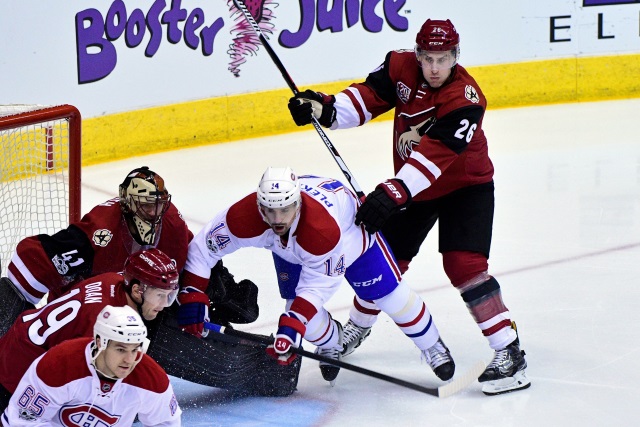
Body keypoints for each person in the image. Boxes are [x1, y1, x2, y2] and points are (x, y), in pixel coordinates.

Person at [287, 19, 530, 395]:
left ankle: (510, 354)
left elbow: (435, 156)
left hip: (466, 187)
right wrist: (326, 108)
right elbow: (368, 98)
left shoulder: (466, 99)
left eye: (443, 59)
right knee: (382, 262)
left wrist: (396, 190)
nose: (434, 67)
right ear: (418, 55)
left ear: (455, 57)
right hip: (415, 188)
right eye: (428, 58)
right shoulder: (400, 67)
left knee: (464, 266)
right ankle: (357, 327)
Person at [182, 166, 454, 386]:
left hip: (352, 234)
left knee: (391, 297)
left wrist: (292, 325)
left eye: (285, 209)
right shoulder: (243, 217)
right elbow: (202, 249)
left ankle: (432, 346)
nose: (277, 219)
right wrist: (193, 295)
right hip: (293, 251)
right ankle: (332, 342)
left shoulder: (321, 232)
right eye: (269, 210)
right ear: (259, 205)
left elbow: (319, 286)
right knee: (305, 321)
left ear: (298, 204)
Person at [0, 249, 299, 411]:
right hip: (16, 379)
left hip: (16, 346)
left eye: (170, 295)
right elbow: (75, 370)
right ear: (139, 289)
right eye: (162, 295)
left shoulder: (114, 281)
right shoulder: (112, 318)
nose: (166, 304)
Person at [4, 165, 258, 336]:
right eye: (147, 206)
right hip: (90, 313)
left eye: (159, 205)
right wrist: (22, 317)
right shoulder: (99, 231)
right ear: (128, 203)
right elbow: (30, 260)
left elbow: (194, 260)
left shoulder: (171, 224)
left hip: (144, 303)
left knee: (226, 297)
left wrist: (201, 295)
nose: (155, 213)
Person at [1, 305, 182, 426]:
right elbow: (20, 421)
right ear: (100, 342)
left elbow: (167, 423)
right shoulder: (58, 365)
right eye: (120, 349)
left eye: (135, 350)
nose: (129, 359)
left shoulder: (152, 380)